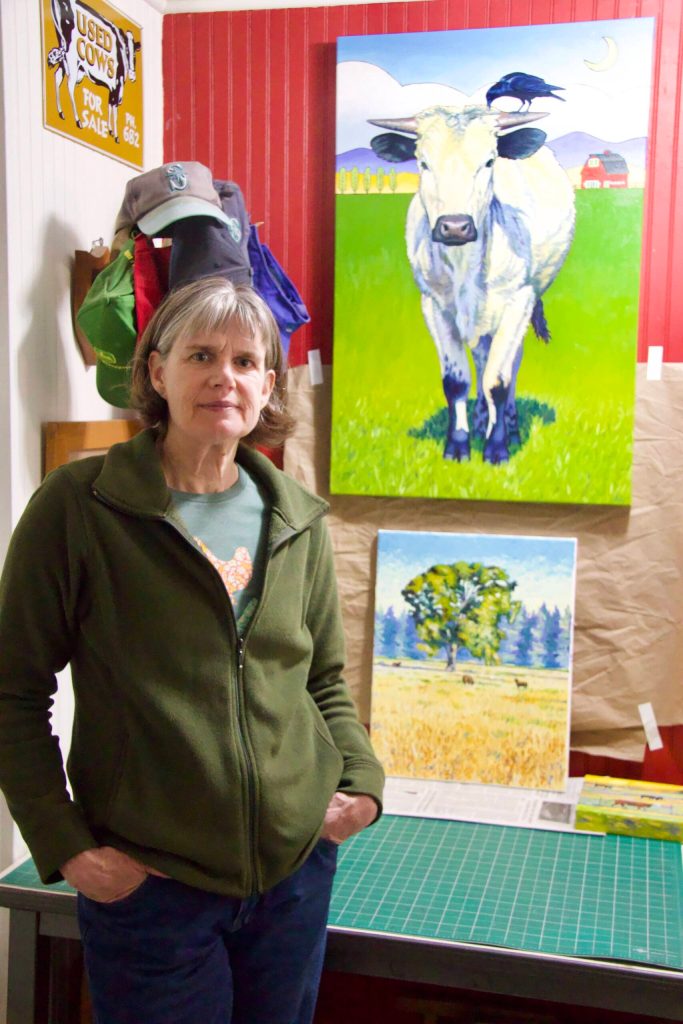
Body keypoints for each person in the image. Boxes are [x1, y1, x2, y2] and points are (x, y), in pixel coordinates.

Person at [0, 276, 384, 1024]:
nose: (223, 377)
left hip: (292, 881)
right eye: (201, 354)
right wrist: (68, 846)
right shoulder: (81, 508)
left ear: (267, 384)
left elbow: (324, 681)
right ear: (157, 371)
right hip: (151, 888)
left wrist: (361, 785)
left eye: (245, 361)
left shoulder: (295, 518)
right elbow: (12, 692)